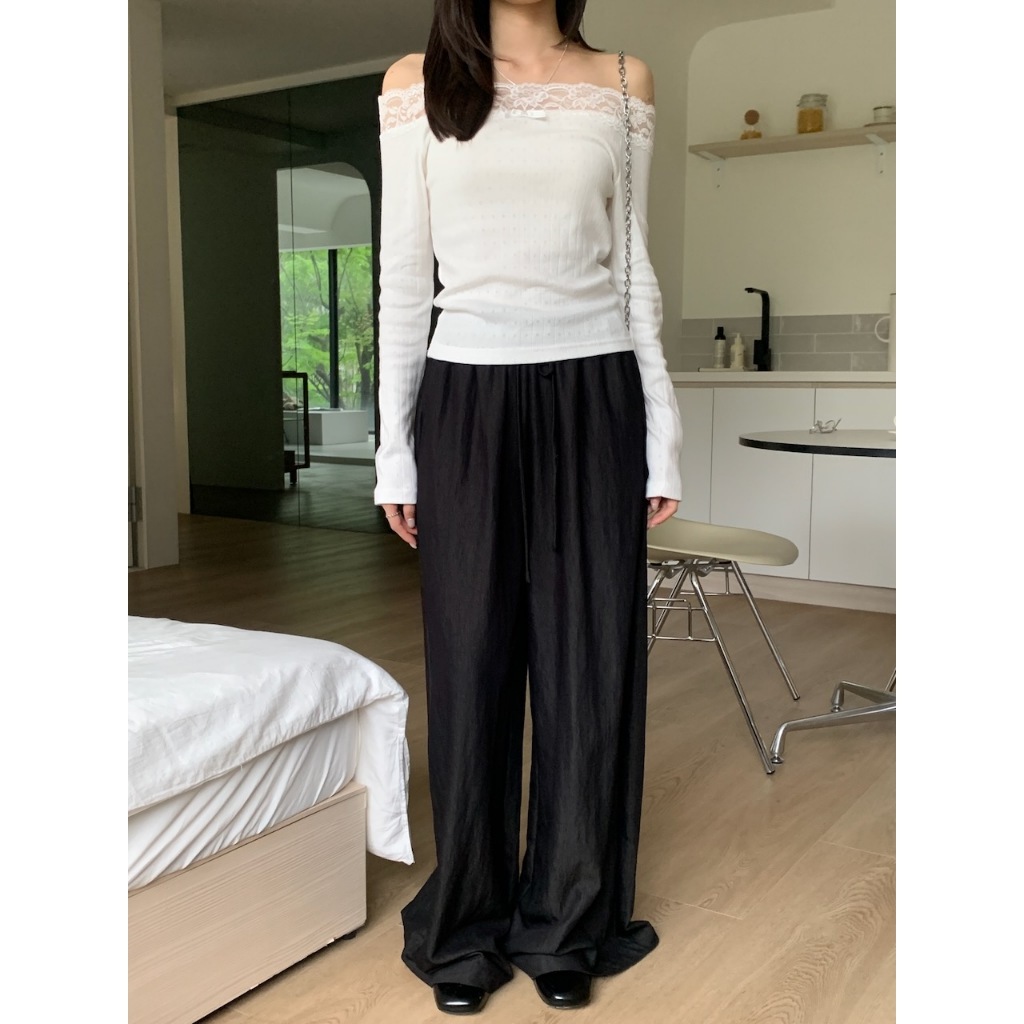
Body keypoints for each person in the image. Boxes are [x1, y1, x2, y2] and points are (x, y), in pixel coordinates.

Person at [375, 0, 683, 1014]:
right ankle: (465, 924)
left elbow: (632, 268)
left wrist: (662, 432)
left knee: (587, 662)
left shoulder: (623, 80)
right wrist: (395, 451)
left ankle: (566, 919)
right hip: (464, 398)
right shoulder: (414, 84)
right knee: (470, 661)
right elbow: (402, 280)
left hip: (597, 392)